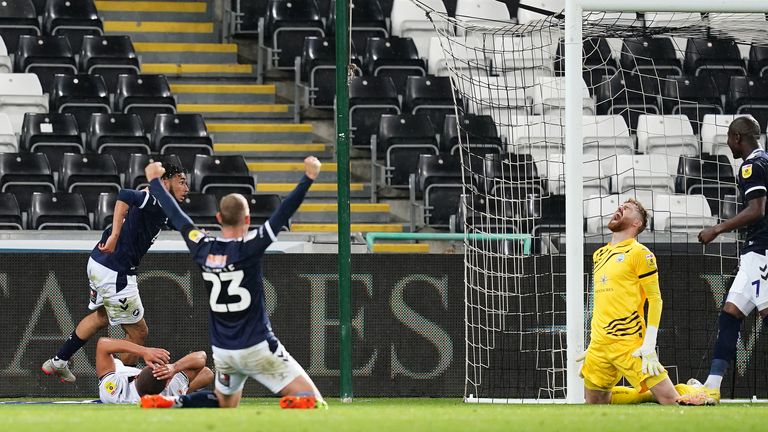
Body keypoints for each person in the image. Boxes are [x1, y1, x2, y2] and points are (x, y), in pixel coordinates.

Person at [139, 157, 325, 409]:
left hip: (225, 350)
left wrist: (153, 180)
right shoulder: (250, 246)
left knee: (225, 401)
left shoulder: (202, 246)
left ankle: (173, 402)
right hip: (257, 344)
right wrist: (308, 178)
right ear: (248, 220)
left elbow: (177, 215)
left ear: (218, 218)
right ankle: (293, 405)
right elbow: (283, 213)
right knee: (313, 401)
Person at [42, 164, 190, 382]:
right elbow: (124, 195)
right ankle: (118, 384)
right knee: (139, 333)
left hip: (99, 263)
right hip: (116, 272)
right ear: (165, 181)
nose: (186, 187)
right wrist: (115, 235)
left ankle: (58, 361)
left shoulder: (162, 206)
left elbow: (167, 220)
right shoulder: (154, 198)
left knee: (101, 317)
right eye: (181, 181)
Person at [580, 198, 709, 405]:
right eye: (620, 206)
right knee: (595, 404)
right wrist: (595, 339)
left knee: (671, 401)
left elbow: (655, 300)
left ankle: (692, 389)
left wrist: (649, 343)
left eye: (627, 208)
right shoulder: (599, 254)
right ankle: (648, 395)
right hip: (599, 344)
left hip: (629, 342)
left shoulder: (641, 253)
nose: (620, 208)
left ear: (636, 223)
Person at [691, 117, 766, 403]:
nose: (726, 143)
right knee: (731, 313)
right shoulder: (766, 161)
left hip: (762, 251)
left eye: (728, 137)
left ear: (737, 137)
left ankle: (712, 384)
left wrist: (716, 229)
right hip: (754, 252)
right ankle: (712, 385)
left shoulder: (751, 166)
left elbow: (757, 210)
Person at [95, 337, 213, 404]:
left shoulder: (113, 391)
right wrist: (174, 367)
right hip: (172, 388)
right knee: (207, 375)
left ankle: (183, 388)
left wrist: (144, 351)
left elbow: (103, 344)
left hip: (120, 372)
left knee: (115, 362)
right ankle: (183, 389)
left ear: (137, 375)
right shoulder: (171, 389)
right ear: (166, 384)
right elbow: (202, 358)